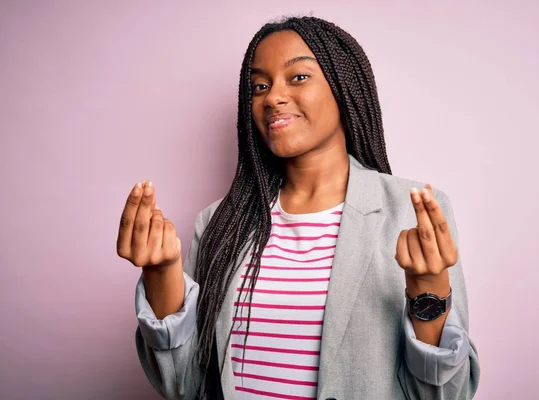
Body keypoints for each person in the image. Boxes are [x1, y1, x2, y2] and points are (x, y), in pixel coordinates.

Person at [117, 16, 481, 400]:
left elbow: (447, 394)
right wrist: (161, 273)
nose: (272, 97)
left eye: (298, 77)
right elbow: (183, 386)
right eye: (259, 86)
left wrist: (427, 293)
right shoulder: (219, 224)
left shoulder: (412, 213)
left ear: (344, 88)